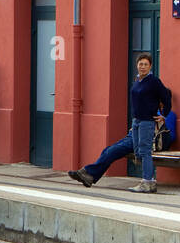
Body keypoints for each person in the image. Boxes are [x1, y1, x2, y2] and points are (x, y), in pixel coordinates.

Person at [68, 53, 172, 193]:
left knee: (135, 151)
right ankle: (89, 175)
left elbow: (166, 101)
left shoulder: (154, 83)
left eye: (146, 64)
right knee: (111, 150)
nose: (142, 67)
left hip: (148, 129)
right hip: (136, 125)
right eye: (140, 64)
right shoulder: (137, 81)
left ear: (151, 66)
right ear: (137, 65)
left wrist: (164, 115)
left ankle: (148, 181)